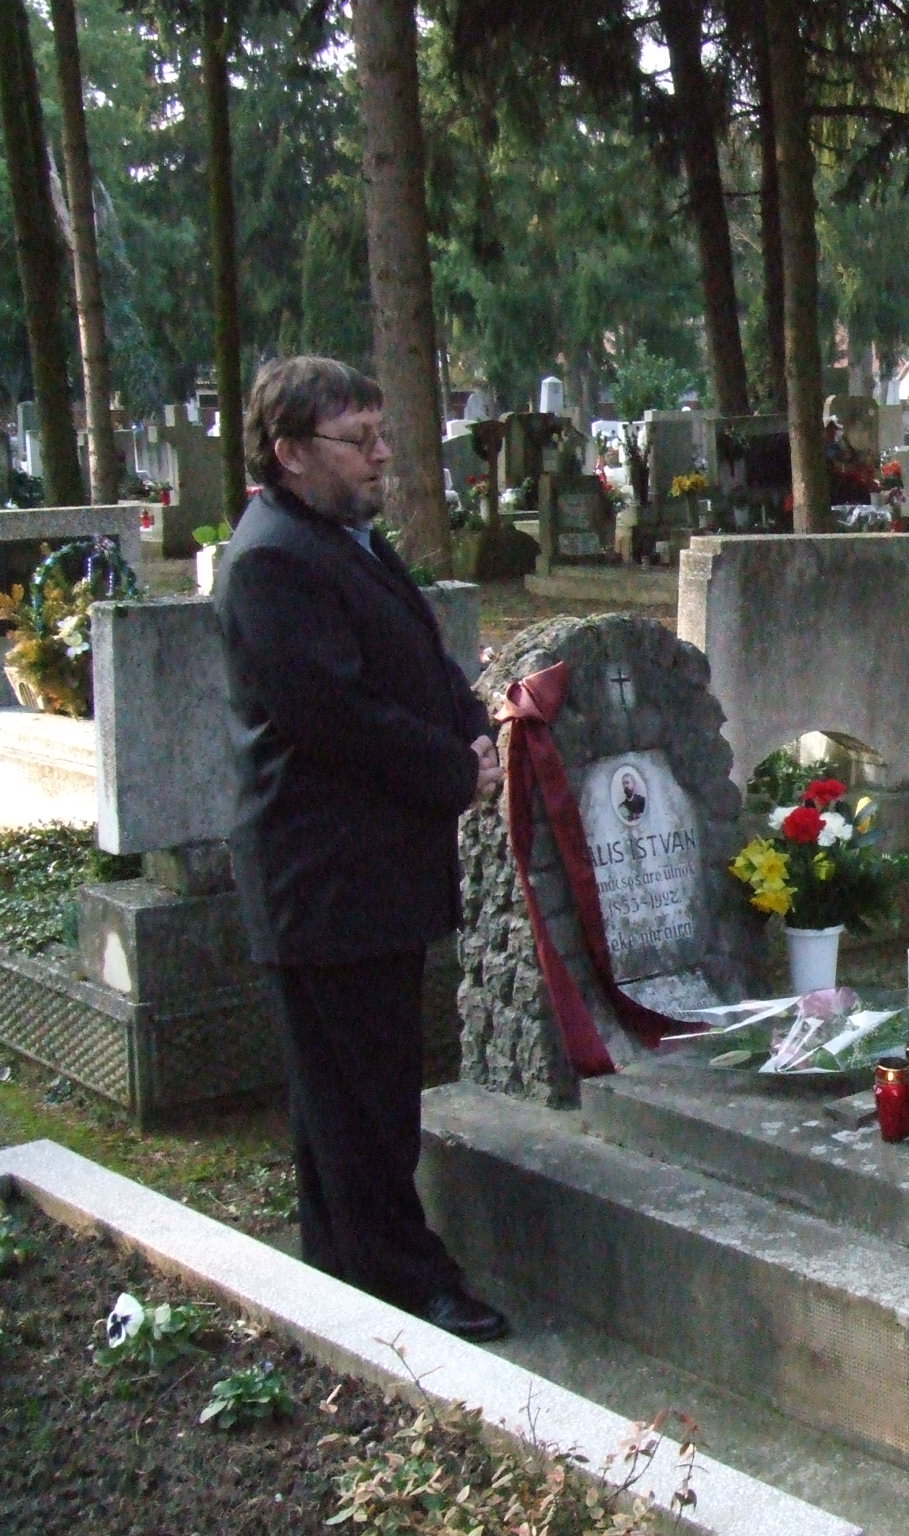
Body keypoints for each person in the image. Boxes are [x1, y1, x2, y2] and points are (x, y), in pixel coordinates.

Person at [214, 356, 510, 1342]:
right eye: (360, 440)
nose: (383, 455)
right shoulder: (271, 560)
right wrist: (452, 770)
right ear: (291, 452)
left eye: (382, 434)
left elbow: (416, 660)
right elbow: (333, 716)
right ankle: (404, 1287)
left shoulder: (341, 536)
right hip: (326, 879)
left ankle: (343, 1281)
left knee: (351, 1098)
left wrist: (473, 725)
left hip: (366, 874)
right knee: (361, 1107)